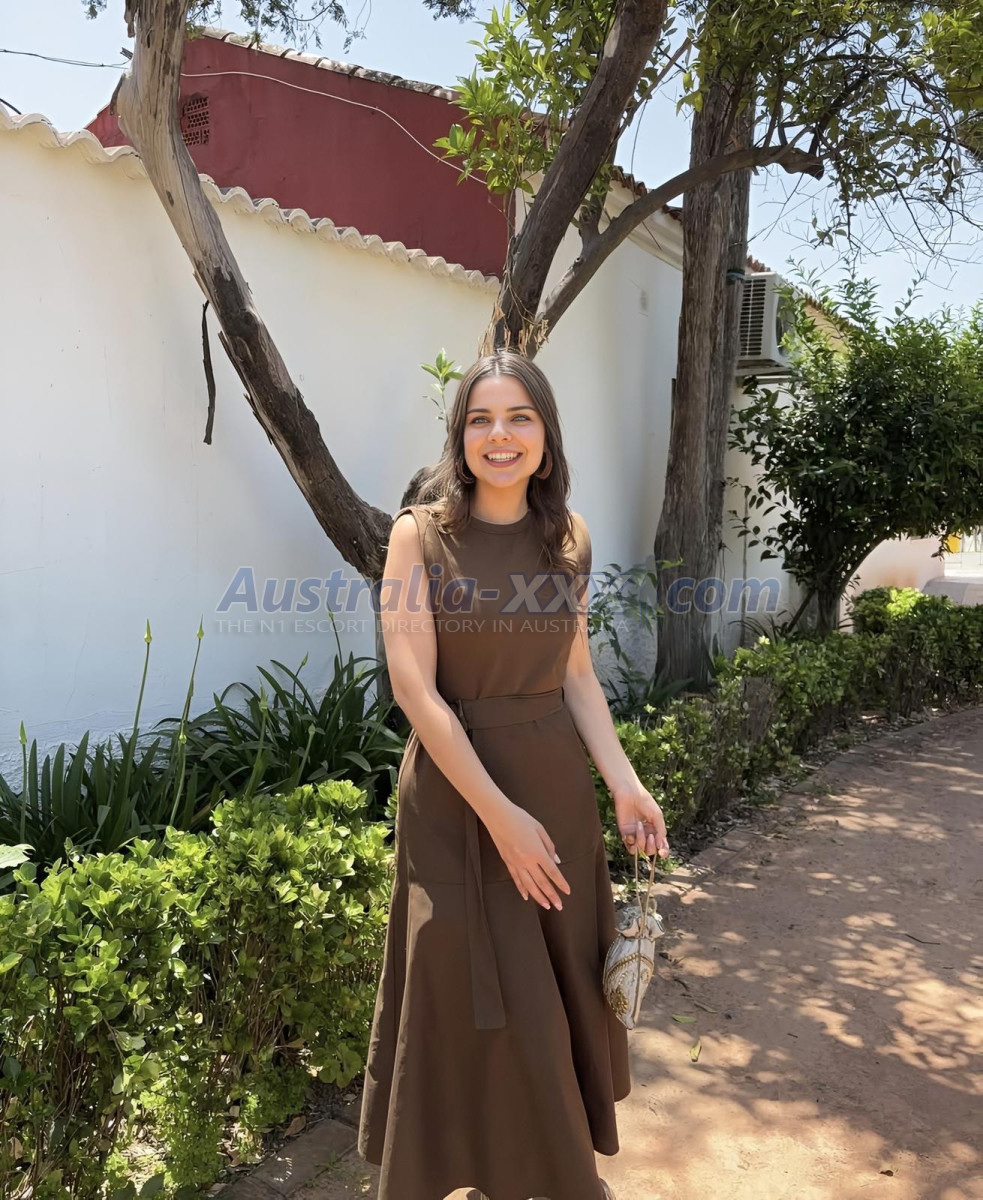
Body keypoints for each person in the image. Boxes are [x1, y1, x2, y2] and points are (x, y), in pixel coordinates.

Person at [357, 349, 671, 1200]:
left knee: (549, 993)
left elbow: (576, 674)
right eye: (481, 420)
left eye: (518, 417)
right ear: (460, 438)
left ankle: (554, 1170)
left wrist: (624, 781)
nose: (500, 436)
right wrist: (498, 816)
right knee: (461, 987)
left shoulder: (569, 539)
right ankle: (453, 1167)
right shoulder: (418, 535)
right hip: (455, 804)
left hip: (554, 796)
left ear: (544, 433)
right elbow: (415, 691)